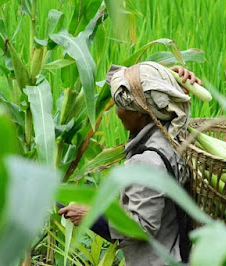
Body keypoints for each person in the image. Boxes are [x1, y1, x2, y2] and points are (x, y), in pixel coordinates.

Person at [59, 62, 202, 265]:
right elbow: (133, 84)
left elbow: (141, 227)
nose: (117, 112)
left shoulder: (146, 162)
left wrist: (90, 215)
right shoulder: (175, 134)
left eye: (121, 106)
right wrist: (167, 78)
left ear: (140, 113)